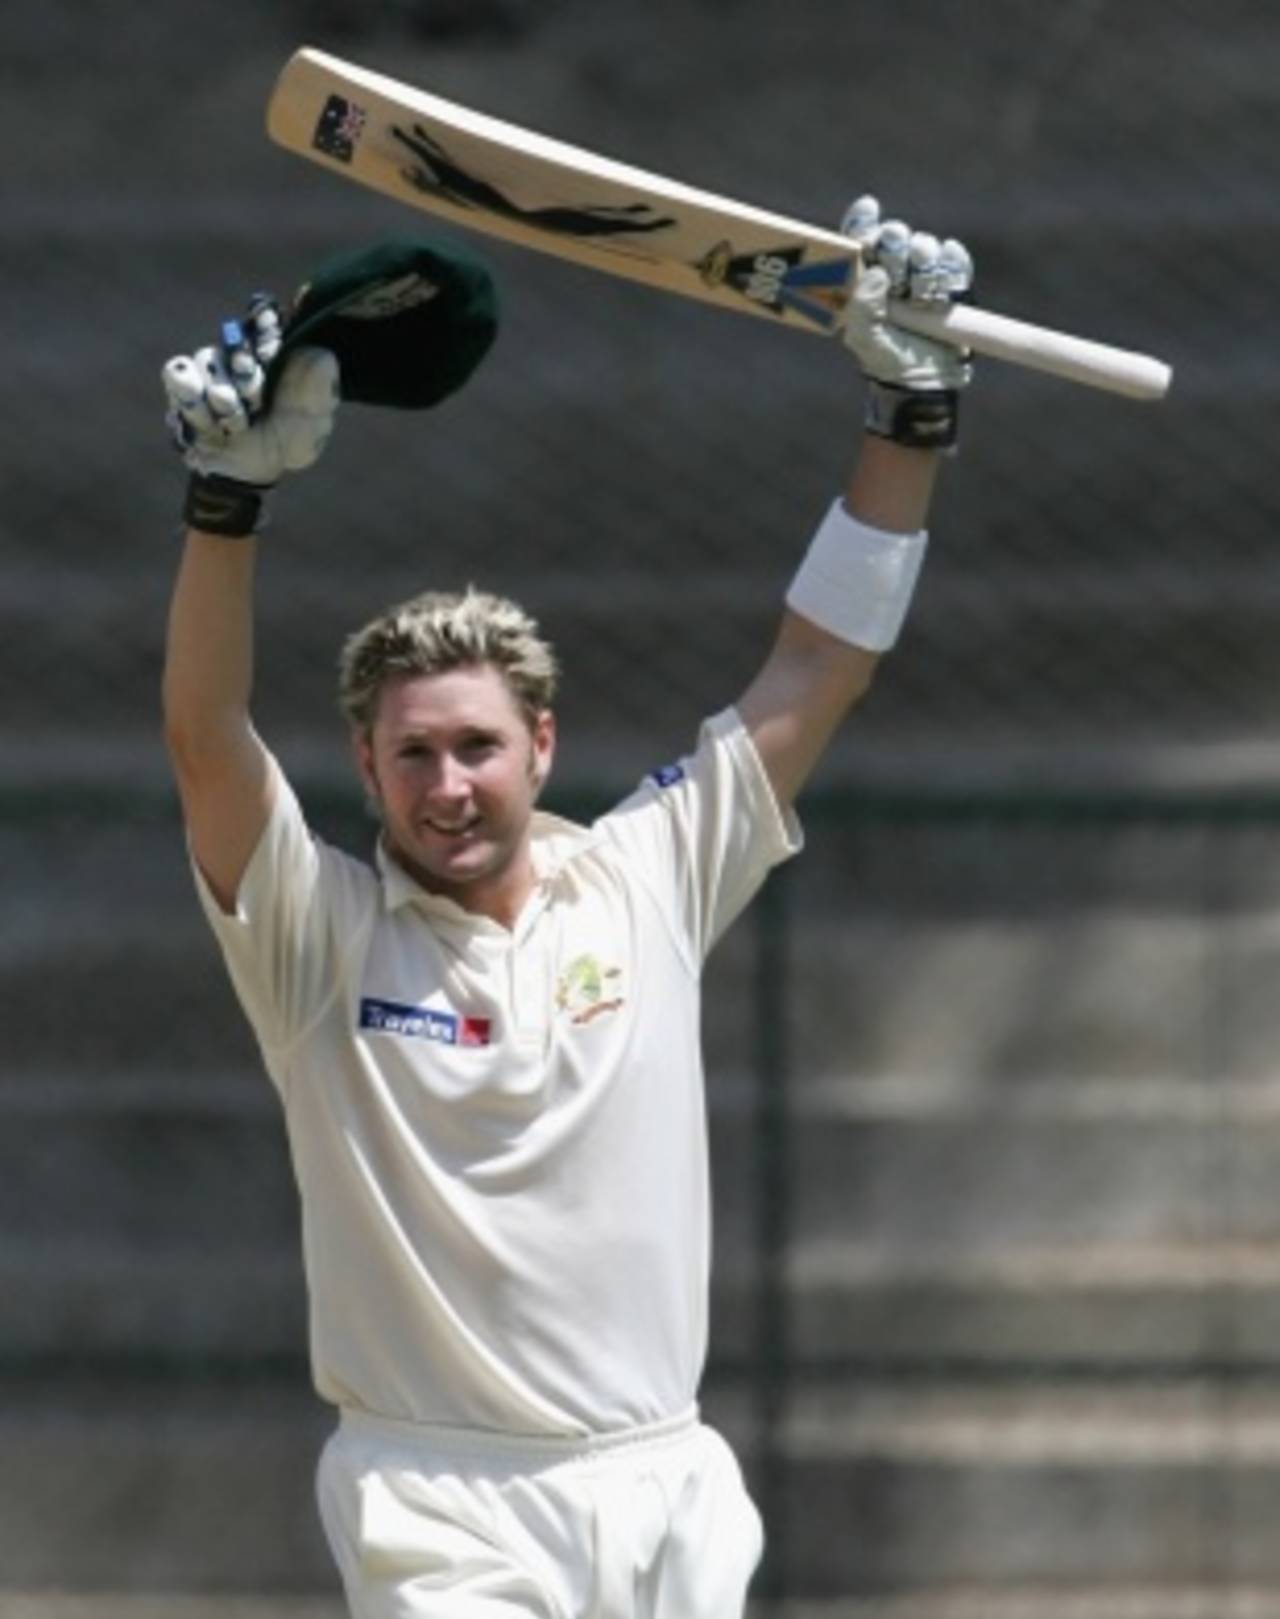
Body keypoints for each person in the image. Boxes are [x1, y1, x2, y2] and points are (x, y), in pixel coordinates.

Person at [160, 196, 973, 1619]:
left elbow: (818, 666)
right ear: (365, 766)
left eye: (477, 746)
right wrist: (228, 504)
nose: (448, 785)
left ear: (542, 746)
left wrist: (909, 415)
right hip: (440, 1499)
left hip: (665, 1488)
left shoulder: (647, 874)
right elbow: (205, 736)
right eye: (411, 754)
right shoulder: (316, 939)